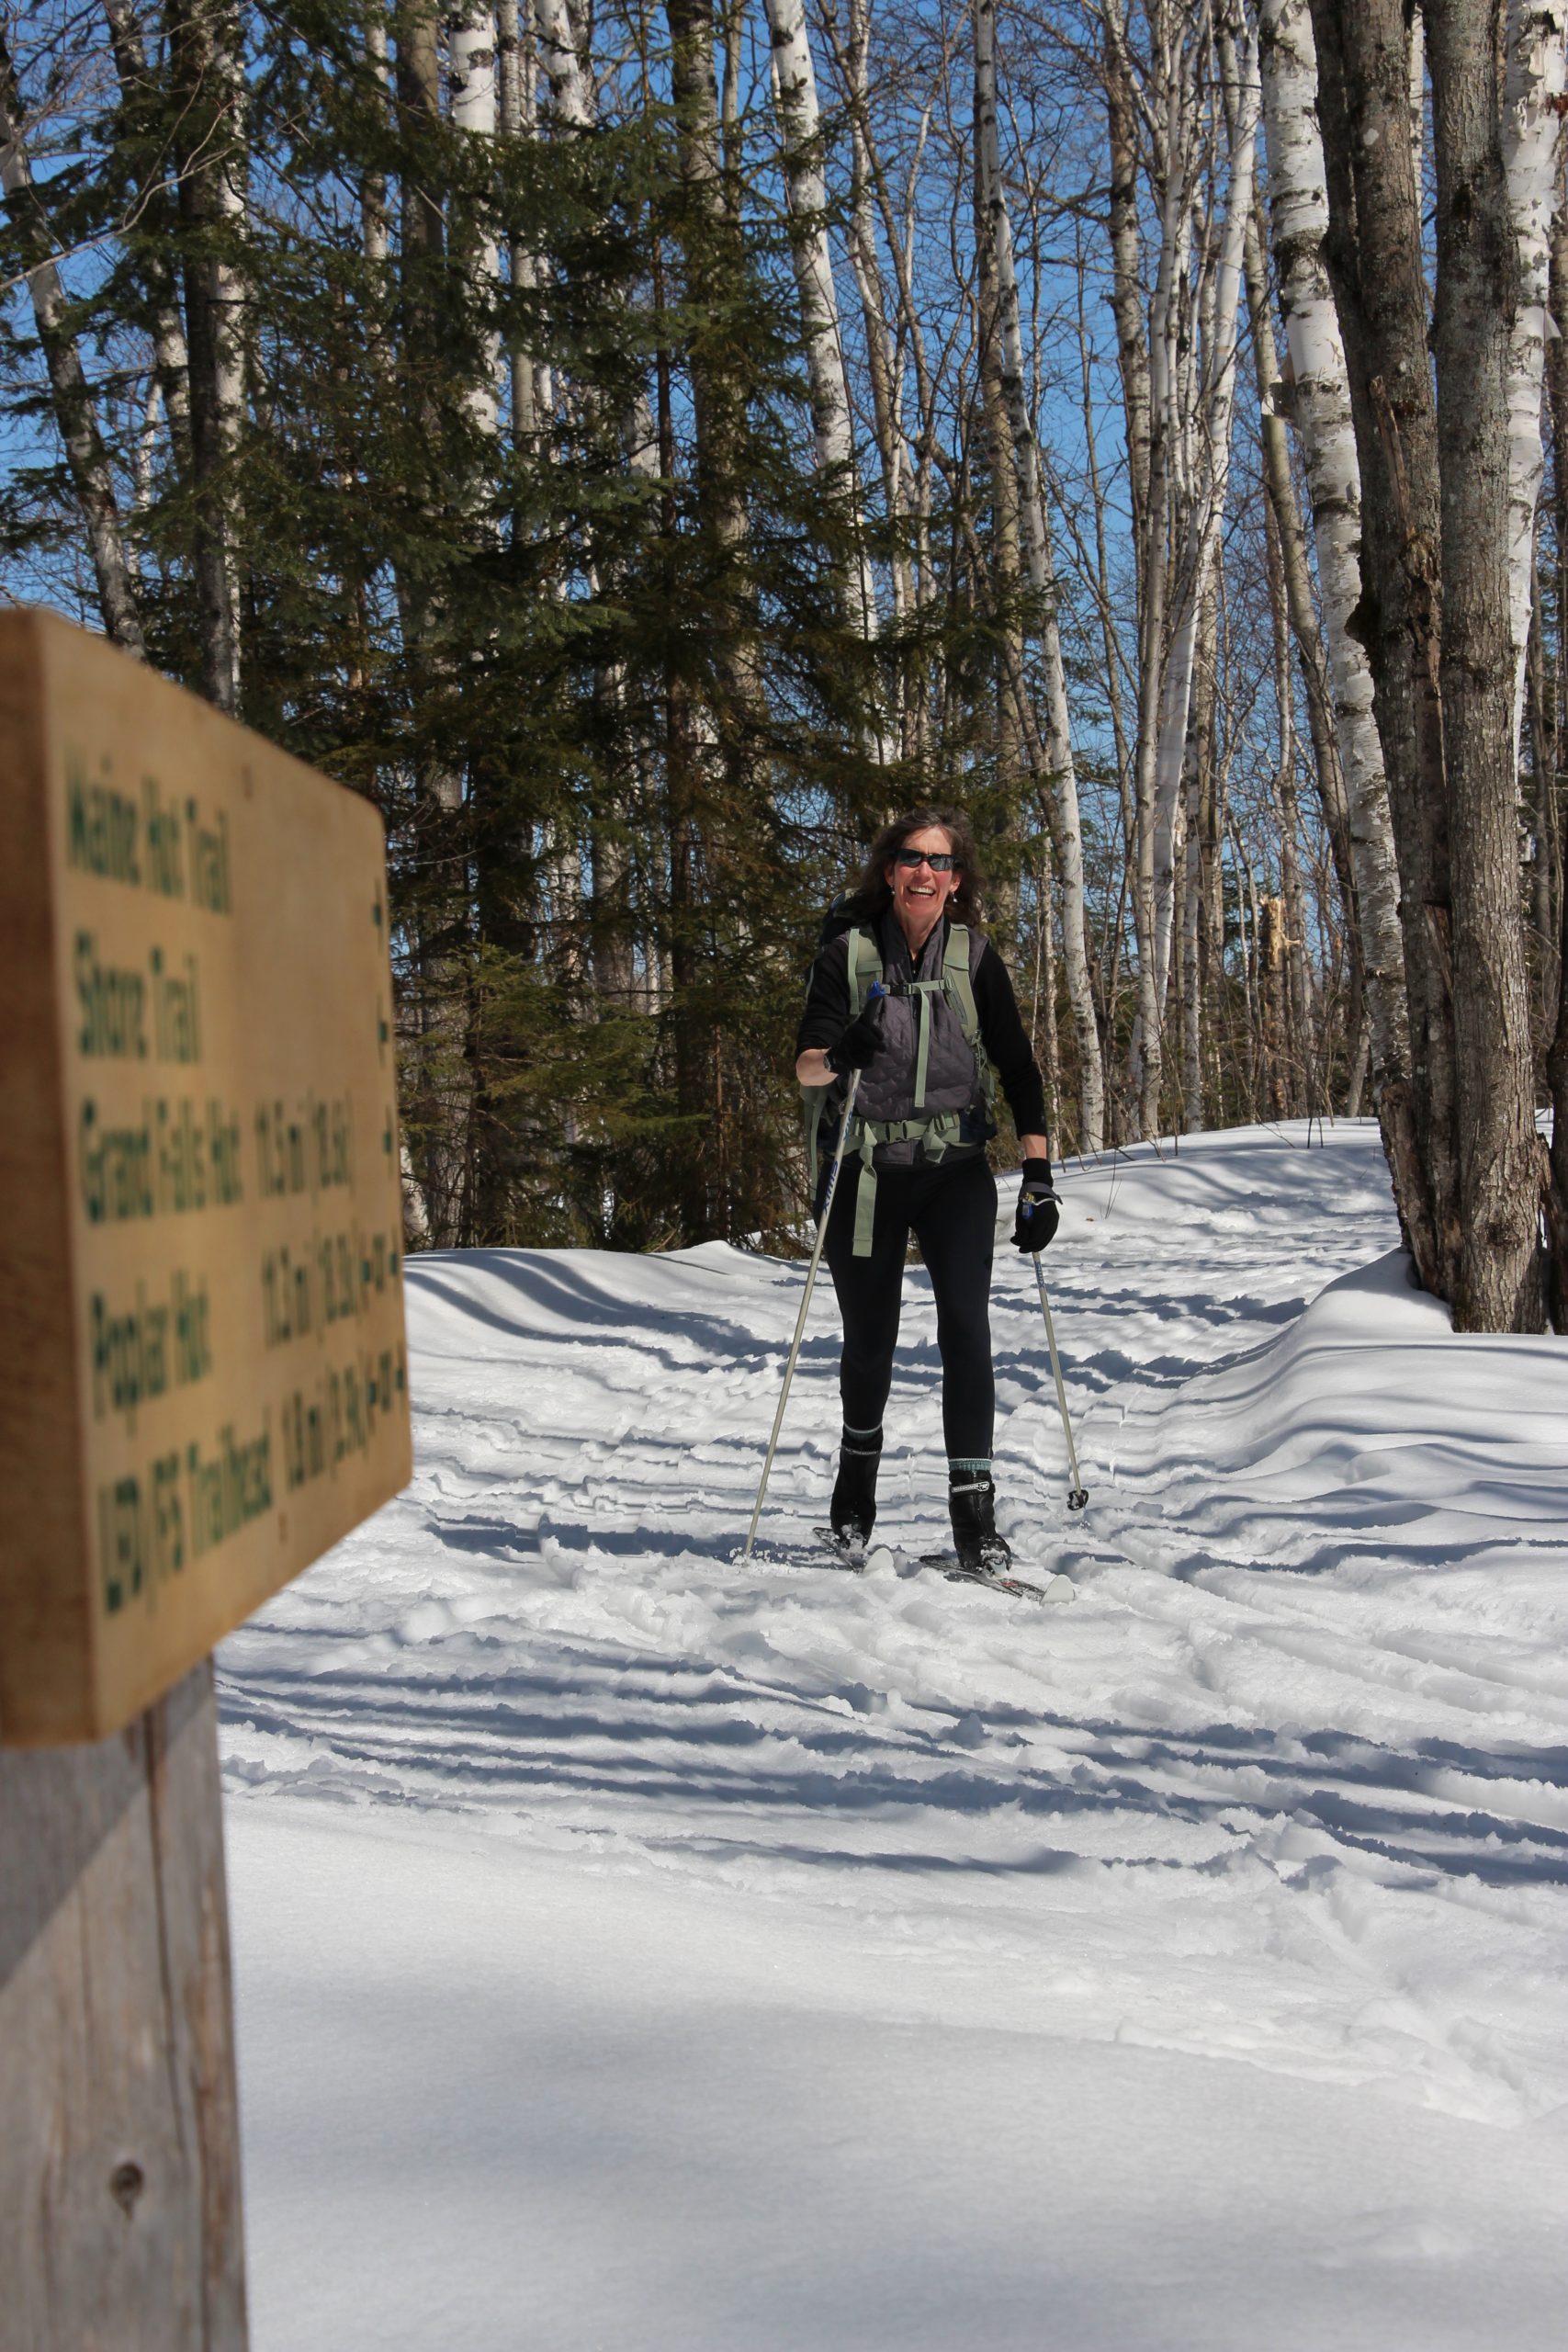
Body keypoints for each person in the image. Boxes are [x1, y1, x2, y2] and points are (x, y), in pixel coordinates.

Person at [794, 807, 1059, 1573]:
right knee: (869, 1343)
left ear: (955, 880)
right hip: (866, 1174)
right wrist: (840, 1051)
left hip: (953, 1173)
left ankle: (974, 1520)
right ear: (890, 873)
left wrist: (1037, 1177)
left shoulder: (974, 957)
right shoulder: (845, 955)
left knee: (966, 1334)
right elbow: (806, 1065)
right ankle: (852, 1505)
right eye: (910, 859)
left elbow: (1019, 1069)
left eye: (939, 862)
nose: (923, 872)